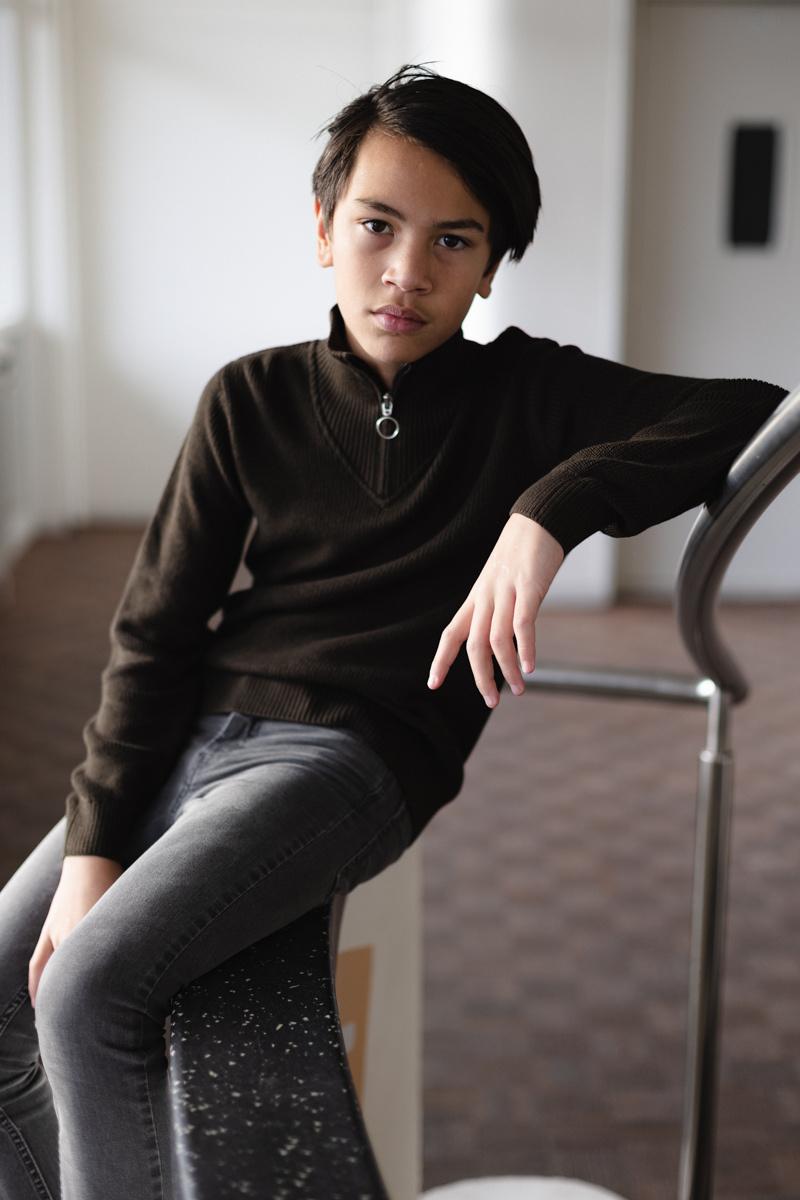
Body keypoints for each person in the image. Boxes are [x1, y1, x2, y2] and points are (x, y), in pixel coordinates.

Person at [0, 61, 788, 1200]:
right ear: (324, 229)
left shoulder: (527, 393)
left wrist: (548, 510)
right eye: (377, 225)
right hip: (193, 730)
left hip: (344, 757)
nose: (408, 271)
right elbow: (154, 635)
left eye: (453, 241)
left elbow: (746, 409)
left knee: (89, 993)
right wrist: (92, 851)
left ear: (490, 265)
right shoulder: (247, 399)